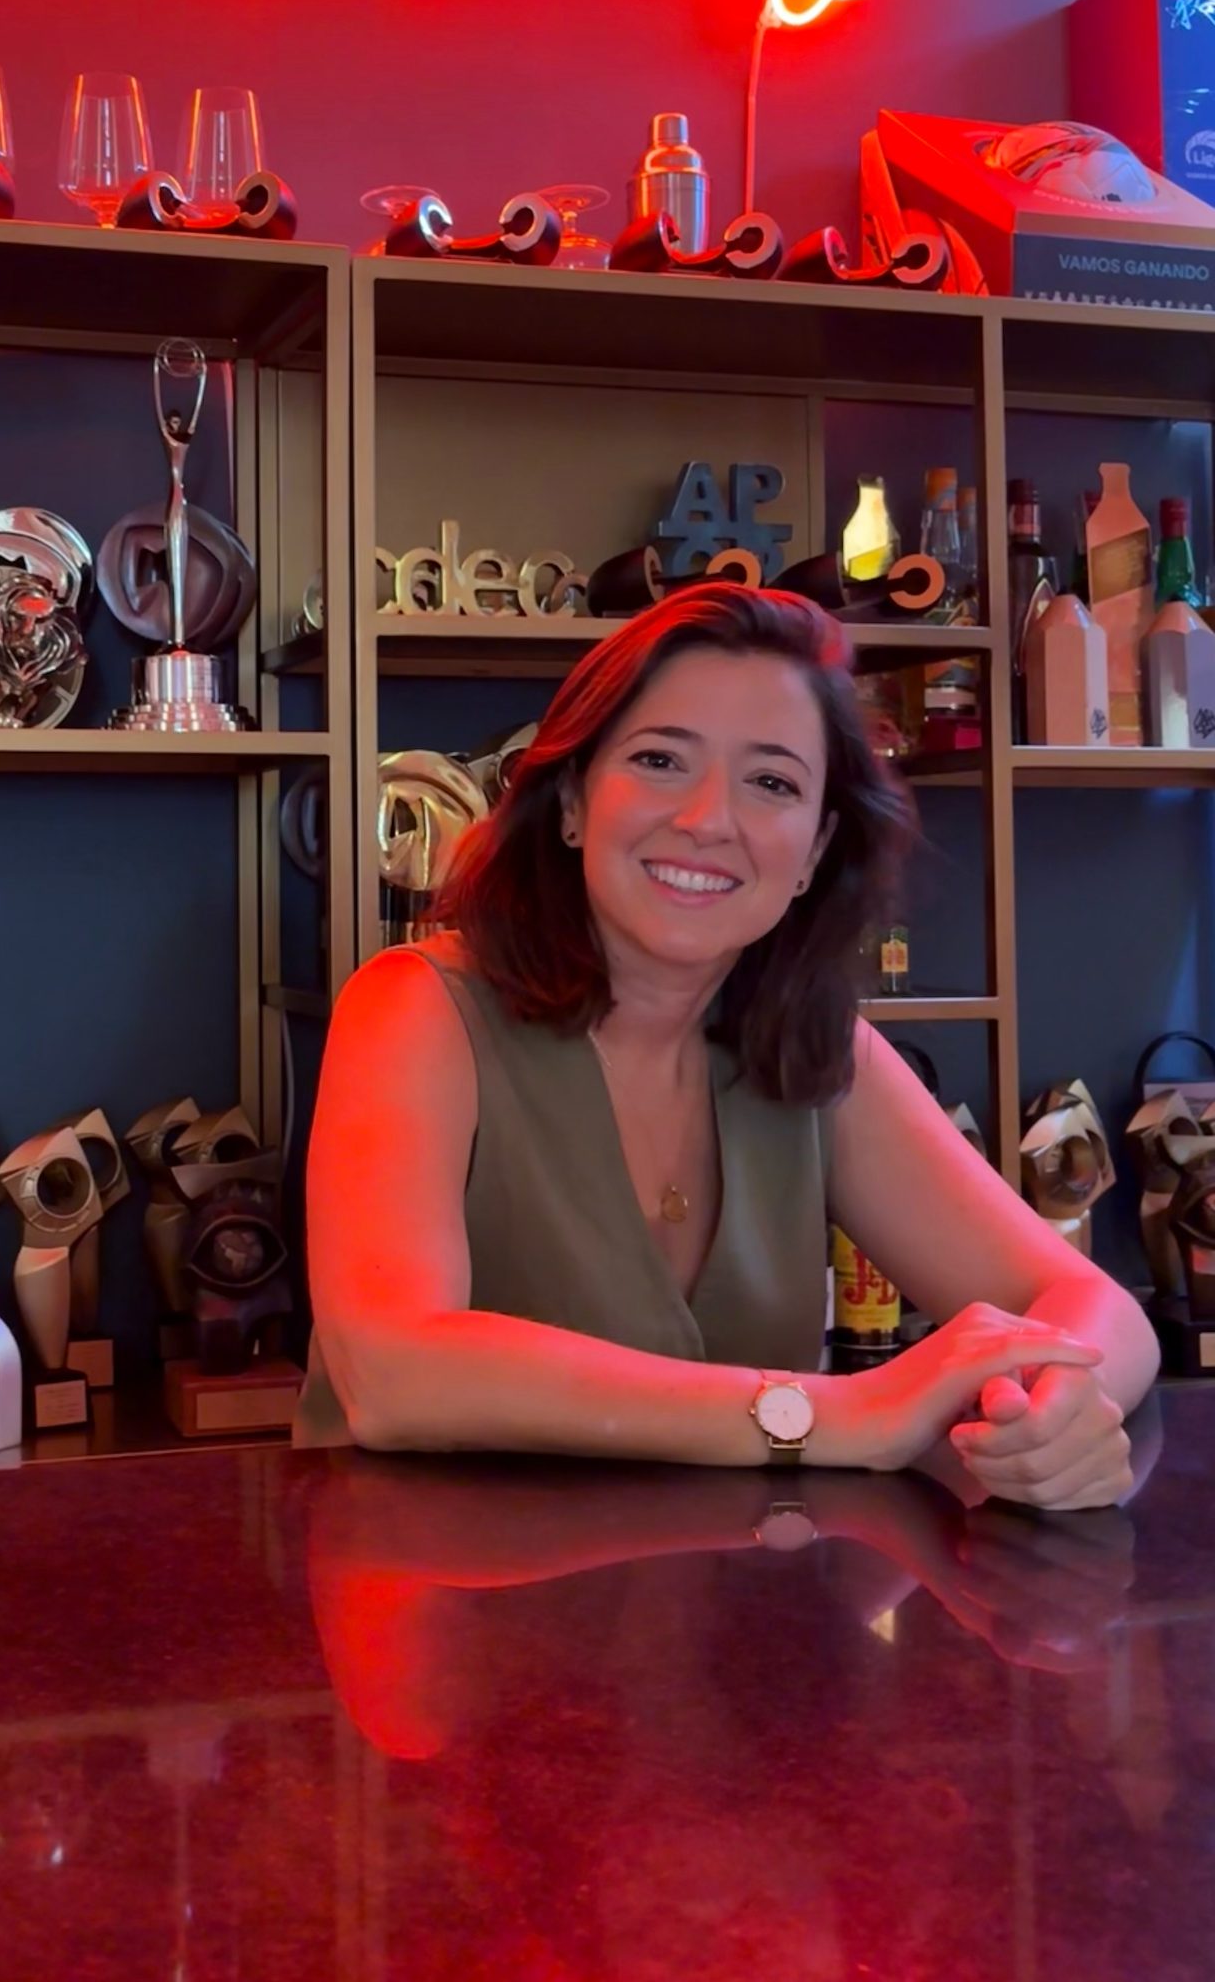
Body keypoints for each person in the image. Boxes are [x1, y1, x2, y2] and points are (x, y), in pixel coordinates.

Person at [302, 584, 1156, 1508]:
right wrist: (833, 1414)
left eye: (772, 783)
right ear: (574, 800)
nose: (709, 818)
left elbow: (1097, 1312)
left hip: (737, 1601)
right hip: (437, 1585)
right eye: (660, 760)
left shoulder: (819, 1053)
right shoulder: (414, 1010)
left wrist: (1056, 1414)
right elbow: (392, 1374)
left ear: (815, 849)